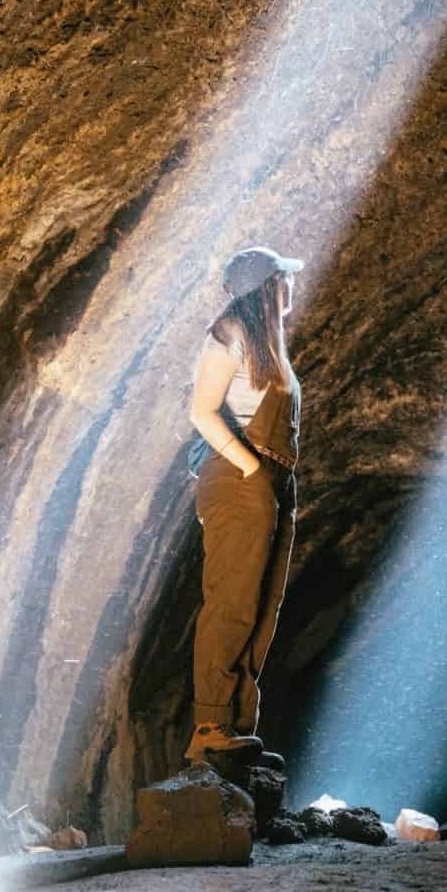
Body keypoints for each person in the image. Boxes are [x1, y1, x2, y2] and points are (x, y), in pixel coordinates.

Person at [186, 244, 304, 766]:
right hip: (240, 478)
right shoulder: (229, 336)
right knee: (232, 602)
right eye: (286, 276)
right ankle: (210, 726)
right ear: (269, 286)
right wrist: (252, 470)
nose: (293, 284)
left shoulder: (269, 342)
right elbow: (202, 412)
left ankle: (237, 727)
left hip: (273, 480)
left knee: (262, 608)